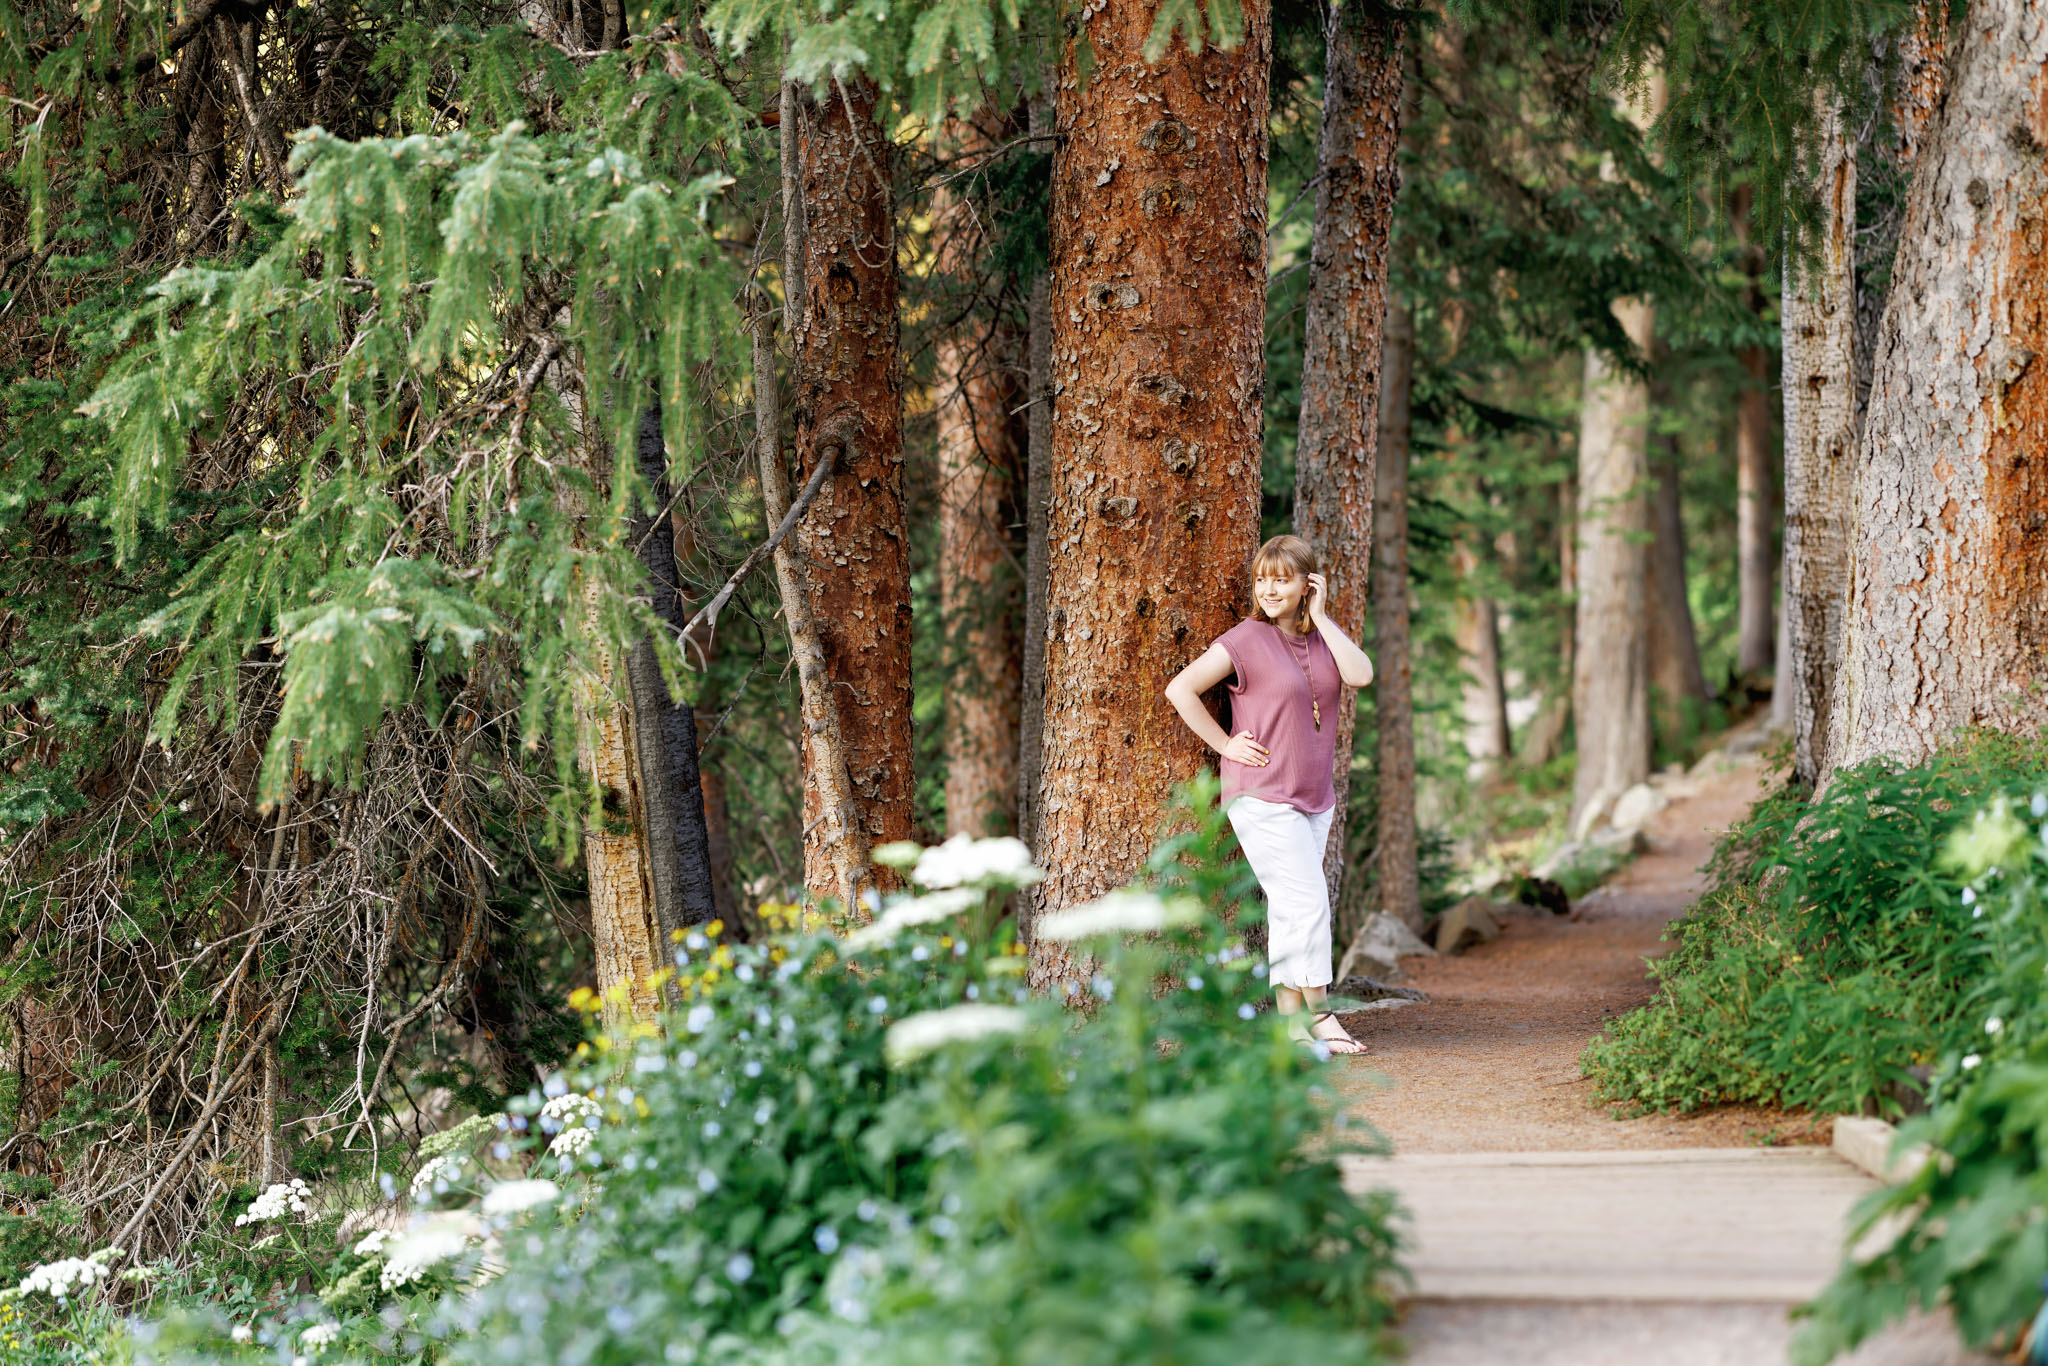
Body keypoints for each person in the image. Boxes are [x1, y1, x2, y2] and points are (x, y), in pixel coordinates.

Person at [1163, 534, 1375, 1054]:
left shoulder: (1322, 636)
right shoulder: (1245, 639)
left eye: (1282, 579)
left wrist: (1322, 616)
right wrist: (1225, 744)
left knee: (1289, 909)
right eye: (1262, 579)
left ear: (1307, 584)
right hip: (1262, 793)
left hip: (1314, 794)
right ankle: (1321, 1014)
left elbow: (1361, 675)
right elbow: (1180, 689)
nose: (1269, 589)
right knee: (1308, 903)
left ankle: (1288, 1027)